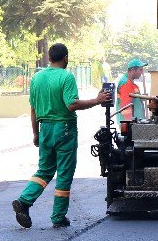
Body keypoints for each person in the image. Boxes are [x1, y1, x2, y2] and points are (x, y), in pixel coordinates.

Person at [11, 43, 111, 229]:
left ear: (49, 58)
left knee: (45, 170)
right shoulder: (66, 76)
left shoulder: (37, 78)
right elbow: (71, 105)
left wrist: (35, 134)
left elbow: (33, 109)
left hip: (45, 129)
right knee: (64, 173)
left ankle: (24, 201)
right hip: (64, 129)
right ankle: (58, 217)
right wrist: (97, 100)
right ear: (65, 57)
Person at [116, 58, 148, 127]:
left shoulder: (130, 83)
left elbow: (133, 100)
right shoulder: (126, 83)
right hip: (130, 124)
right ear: (133, 70)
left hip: (135, 122)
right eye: (140, 70)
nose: (142, 73)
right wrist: (130, 124)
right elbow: (125, 106)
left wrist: (141, 98)